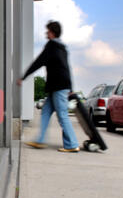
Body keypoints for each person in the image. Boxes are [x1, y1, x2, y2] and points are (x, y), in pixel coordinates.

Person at [17, 21, 80, 152]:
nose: (46, 33)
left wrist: (24, 77)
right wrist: (71, 87)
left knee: (62, 115)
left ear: (52, 32)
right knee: (45, 112)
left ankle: (72, 144)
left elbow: (38, 62)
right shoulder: (62, 48)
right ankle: (40, 140)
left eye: (48, 31)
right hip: (58, 87)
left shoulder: (52, 46)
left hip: (59, 87)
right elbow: (67, 68)